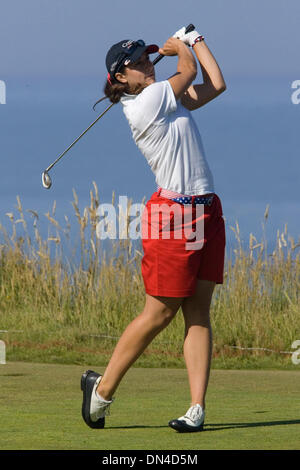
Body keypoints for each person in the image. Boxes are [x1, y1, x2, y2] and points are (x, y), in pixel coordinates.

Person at [81, 25, 226, 433]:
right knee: (160, 312)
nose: (148, 64)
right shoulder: (144, 104)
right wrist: (182, 48)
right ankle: (102, 391)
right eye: (138, 62)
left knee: (198, 311)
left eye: (148, 57)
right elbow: (189, 72)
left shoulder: (168, 101)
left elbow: (217, 83)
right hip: (172, 215)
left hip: (207, 209)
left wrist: (196, 41)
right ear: (121, 78)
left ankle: (196, 409)